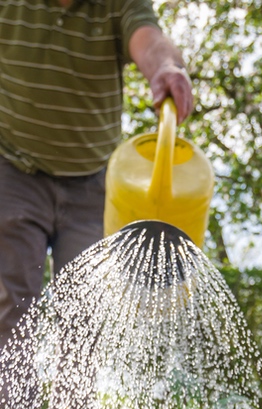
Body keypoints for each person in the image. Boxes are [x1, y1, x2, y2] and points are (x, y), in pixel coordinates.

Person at [0, 0, 194, 349]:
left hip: (92, 185)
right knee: (9, 312)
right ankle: (10, 406)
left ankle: (72, 407)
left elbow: (147, 38)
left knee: (84, 323)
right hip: (14, 170)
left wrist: (166, 67)